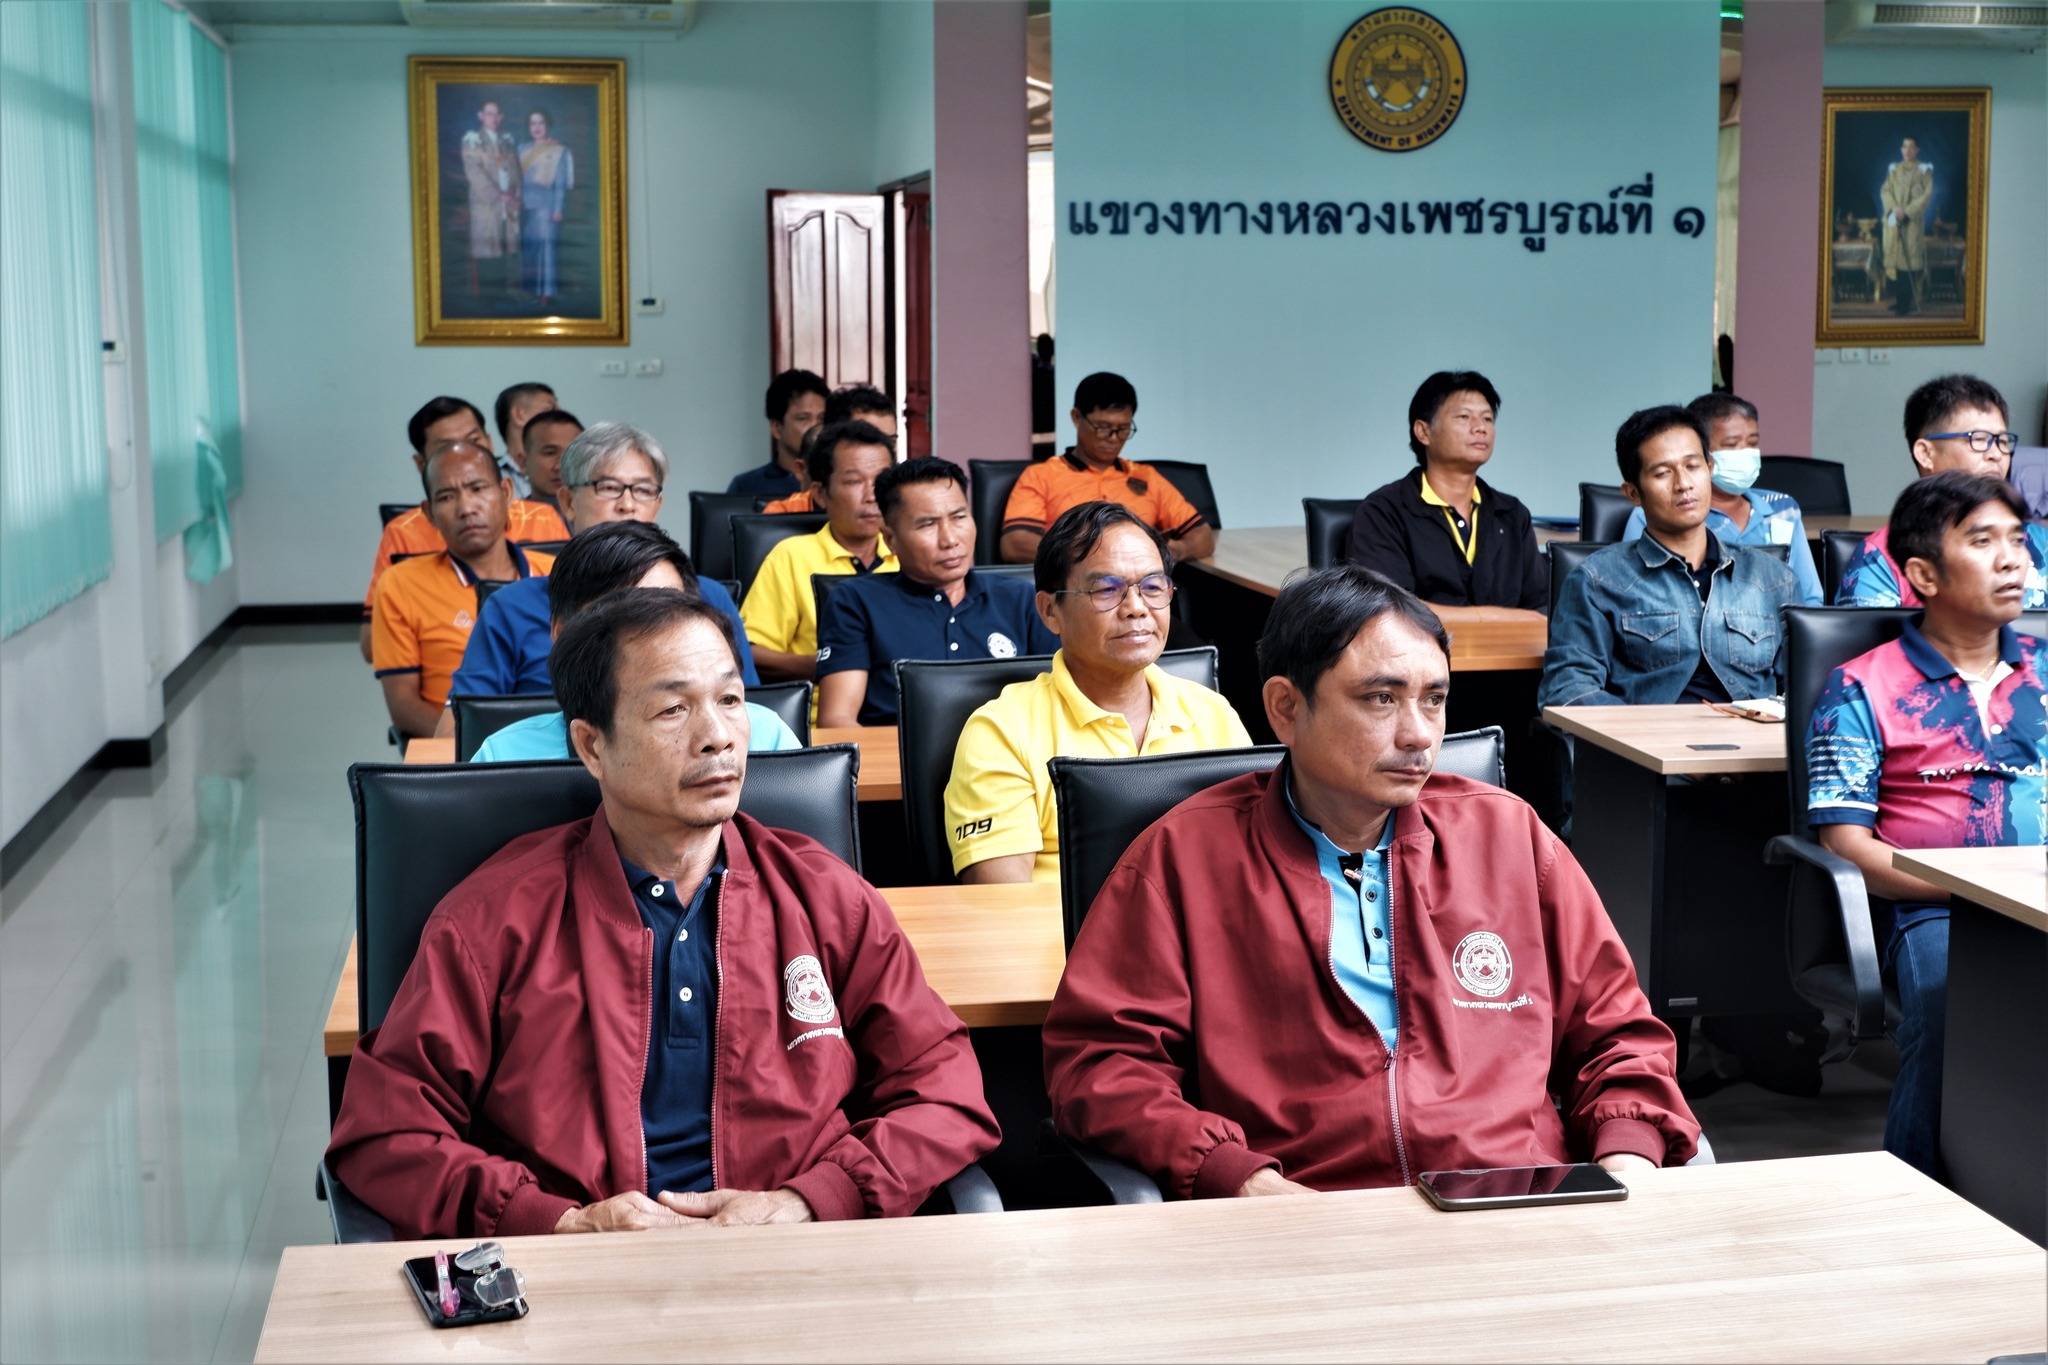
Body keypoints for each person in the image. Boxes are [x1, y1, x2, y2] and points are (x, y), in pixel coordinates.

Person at [329, 589, 1000, 1238]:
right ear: (592, 746)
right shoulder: (493, 919)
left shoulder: (825, 896)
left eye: (730, 700)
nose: (717, 737)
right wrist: (555, 1220)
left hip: (794, 1254)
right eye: (673, 710)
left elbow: (943, 1089)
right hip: (582, 1270)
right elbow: (386, 1132)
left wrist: (809, 1199)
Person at [1041, 565, 1700, 1196]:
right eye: (1381, 698)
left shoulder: (1510, 838)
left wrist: (1626, 1160)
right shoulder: (1184, 858)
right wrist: (1236, 1178)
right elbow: (1104, 1065)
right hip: (1302, 1216)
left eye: (1434, 700)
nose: (1419, 735)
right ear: (1285, 708)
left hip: (1513, 1202)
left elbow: (1618, 1036)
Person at [1806, 471, 2045, 1177]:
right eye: (1983, 541)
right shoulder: (1861, 685)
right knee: (1950, 1003)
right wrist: (1976, 889)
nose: (2011, 560)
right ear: (1923, 574)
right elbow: (1846, 843)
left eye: (2017, 540)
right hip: (1934, 910)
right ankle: (1913, 1186)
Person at [946, 503, 1251, 883]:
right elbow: (1004, 904)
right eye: (1107, 590)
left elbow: (1249, 865)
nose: (1136, 608)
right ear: (1050, 611)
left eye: (1152, 587)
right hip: (1062, 925)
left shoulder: (1213, 713)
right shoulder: (1002, 731)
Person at [448, 422, 756, 709]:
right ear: (568, 502)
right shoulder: (509, 607)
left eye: (643, 490)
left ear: (657, 506)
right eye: (608, 487)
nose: (627, 504)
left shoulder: (709, 597)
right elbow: (464, 726)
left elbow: (748, 709)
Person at [470, 521, 800, 761]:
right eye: (625, 616)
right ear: (561, 633)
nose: (655, 636)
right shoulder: (505, 755)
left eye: (671, 611)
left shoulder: (765, 737)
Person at [1541, 405, 1800, 709]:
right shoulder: (1597, 581)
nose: (1684, 484)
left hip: (1751, 737)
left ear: (1710, 468)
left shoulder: (1773, 579)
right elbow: (1568, 690)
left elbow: (1805, 687)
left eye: (1693, 466)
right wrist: (1640, 731)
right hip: (1643, 738)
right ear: (1633, 493)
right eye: (1663, 473)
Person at [815, 457, 1058, 728]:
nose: (950, 540)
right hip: (897, 753)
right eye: (927, 525)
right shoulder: (856, 601)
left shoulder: (1021, 598)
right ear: (890, 539)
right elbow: (837, 719)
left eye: (959, 517)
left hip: (1010, 752)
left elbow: (1059, 704)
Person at [360, 396, 567, 661]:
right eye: (446, 447)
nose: (463, 453)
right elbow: (372, 645)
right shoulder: (404, 531)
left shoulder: (542, 518)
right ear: (421, 463)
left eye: (474, 440)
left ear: (489, 442)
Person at [372, 442, 553, 737]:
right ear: (429, 513)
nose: (466, 508)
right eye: (446, 497)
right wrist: (471, 748)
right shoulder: (399, 584)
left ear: (506, 492)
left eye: (478, 489)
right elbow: (403, 705)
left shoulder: (557, 573)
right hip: (457, 745)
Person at [1341, 370, 1546, 609]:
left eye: (1488, 419)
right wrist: (1491, 618)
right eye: (1464, 417)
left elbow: (1542, 609)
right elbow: (1390, 612)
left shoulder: (1512, 515)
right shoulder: (1383, 512)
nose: (1480, 428)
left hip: (1509, 638)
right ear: (1423, 431)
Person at [1838, 375, 2048, 608]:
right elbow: (1870, 633)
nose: (1996, 454)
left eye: (2002, 441)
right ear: (1926, 454)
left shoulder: (2041, 543)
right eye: (1979, 439)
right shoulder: (1880, 557)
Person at [1620, 393, 1826, 607]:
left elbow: (1808, 598)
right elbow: (1633, 594)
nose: (1745, 453)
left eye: (1752, 443)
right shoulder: (1658, 514)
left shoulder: (1782, 507)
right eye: (1731, 444)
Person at [1000, 372, 1217, 565]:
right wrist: (1091, 557)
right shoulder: (1041, 476)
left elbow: (1202, 536)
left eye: (1123, 429)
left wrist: (1168, 551)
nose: (1113, 439)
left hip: (1139, 587)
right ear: (1077, 417)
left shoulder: (1145, 477)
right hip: (1074, 587)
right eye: (1103, 427)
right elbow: (1014, 544)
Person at [741, 420, 899, 684]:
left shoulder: (909, 555)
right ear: (820, 494)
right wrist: (834, 664)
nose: (872, 495)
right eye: (854, 481)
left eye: (882, 481)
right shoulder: (791, 556)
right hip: (820, 706)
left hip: (900, 705)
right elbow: (750, 654)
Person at [763, 387, 897, 514]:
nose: (882, 451)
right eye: (866, 439)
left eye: (891, 442)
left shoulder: (901, 509)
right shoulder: (782, 514)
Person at [729, 369, 830, 498]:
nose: (815, 427)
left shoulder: (838, 481)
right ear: (777, 428)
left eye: (822, 419)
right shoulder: (746, 487)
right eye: (803, 418)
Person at [459, 101, 519, 300]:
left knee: (502, 246)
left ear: (501, 117)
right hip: (486, 203)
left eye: (496, 114)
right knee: (487, 248)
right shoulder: (473, 141)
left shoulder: (506, 141)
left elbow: (515, 171)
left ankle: (502, 293)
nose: (493, 118)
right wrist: (498, 195)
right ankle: (487, 298)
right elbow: (474, 173)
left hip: (507, 204)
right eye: (489, 113)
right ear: (481, 116)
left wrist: (513, 194)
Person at [519, 108, 572, 309]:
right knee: (531, 250)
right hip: (526, 207)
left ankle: (547, 293)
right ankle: (534, 290)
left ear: (547, 125)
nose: (537, 127)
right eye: (533, 123)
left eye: (541, 122)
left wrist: (558, 208)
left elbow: (560, 183)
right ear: (528, 127)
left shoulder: (558, 150)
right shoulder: (521, 148)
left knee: (547, 251)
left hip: (547, 207)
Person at [1881, 137, 1932, 316]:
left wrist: (1907, 212)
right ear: (1901, 149)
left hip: (1911, 223)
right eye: (1904, 146)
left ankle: (1905, 304)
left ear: (1917, 150)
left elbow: (1926, 196)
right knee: (1897, 264)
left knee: (1907, 264)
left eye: (1911, 147)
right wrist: (1894, 208)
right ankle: (1899, 302)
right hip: (1895, 220)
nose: (1907, 150)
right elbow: (1885, 190)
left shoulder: (1923, 170)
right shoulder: (1894, 169)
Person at [517, 408, 582, 524]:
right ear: (523, 462)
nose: (561, 466)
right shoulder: (511, 522)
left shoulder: (601, 519)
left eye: (572, 454)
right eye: (550, 453)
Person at [493, 381, 557, 496]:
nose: (560, 417)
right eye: (550, 410)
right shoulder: (490, 475)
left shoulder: (565, 472)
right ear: (519, 415)